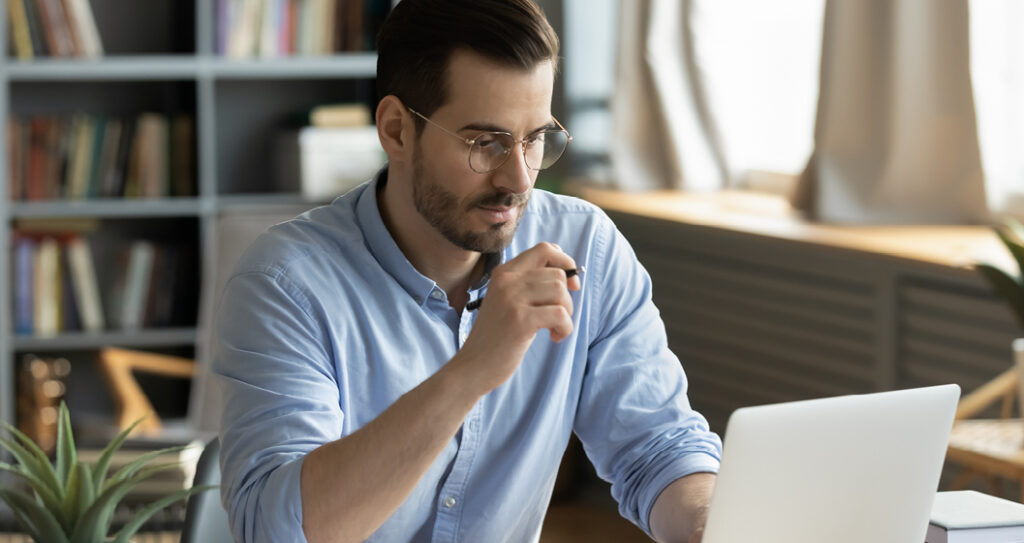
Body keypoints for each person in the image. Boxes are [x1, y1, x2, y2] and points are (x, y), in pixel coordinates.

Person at [213, 0, 722, 542]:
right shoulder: (286, 285)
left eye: (535, 139)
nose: (520, 179)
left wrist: (711, 524)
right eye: (487, 143)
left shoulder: (586, 248)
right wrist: (475, 367)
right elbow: (277, 532)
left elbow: (658, 448)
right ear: (396, 130)